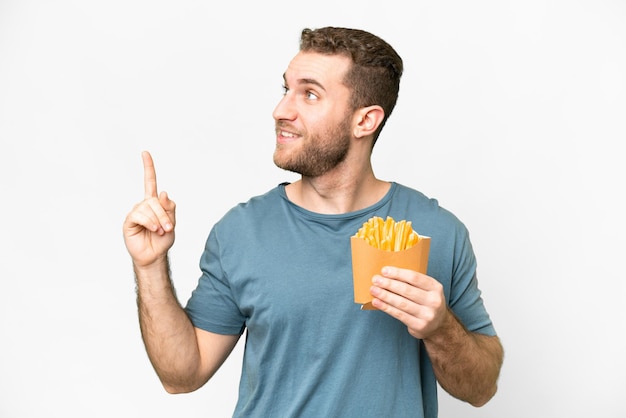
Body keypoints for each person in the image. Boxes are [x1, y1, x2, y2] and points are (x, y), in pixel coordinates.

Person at [123, 26, 504, 417]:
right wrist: (149, 265)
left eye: (309, 94)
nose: (281, 111)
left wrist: (440, 328)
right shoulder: (241, 232)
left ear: (365, 121)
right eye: (285, 90)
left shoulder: (437, 231)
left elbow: (481, 388)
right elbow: (181, 376)